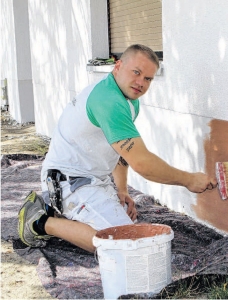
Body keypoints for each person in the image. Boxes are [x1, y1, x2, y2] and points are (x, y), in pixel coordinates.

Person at [18, 44, 217, 253]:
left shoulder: (128, 98)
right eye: (136, 72)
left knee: (125, 230)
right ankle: (40, 221)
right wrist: (189, 180)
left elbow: (121, 151)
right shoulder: (109, 101)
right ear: (118, 66)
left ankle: (62, 214)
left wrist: (121, 190)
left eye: (148, 79)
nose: (141, 83)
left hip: (91, 178)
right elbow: (142, 163)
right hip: (67, 182)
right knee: (124, 246)